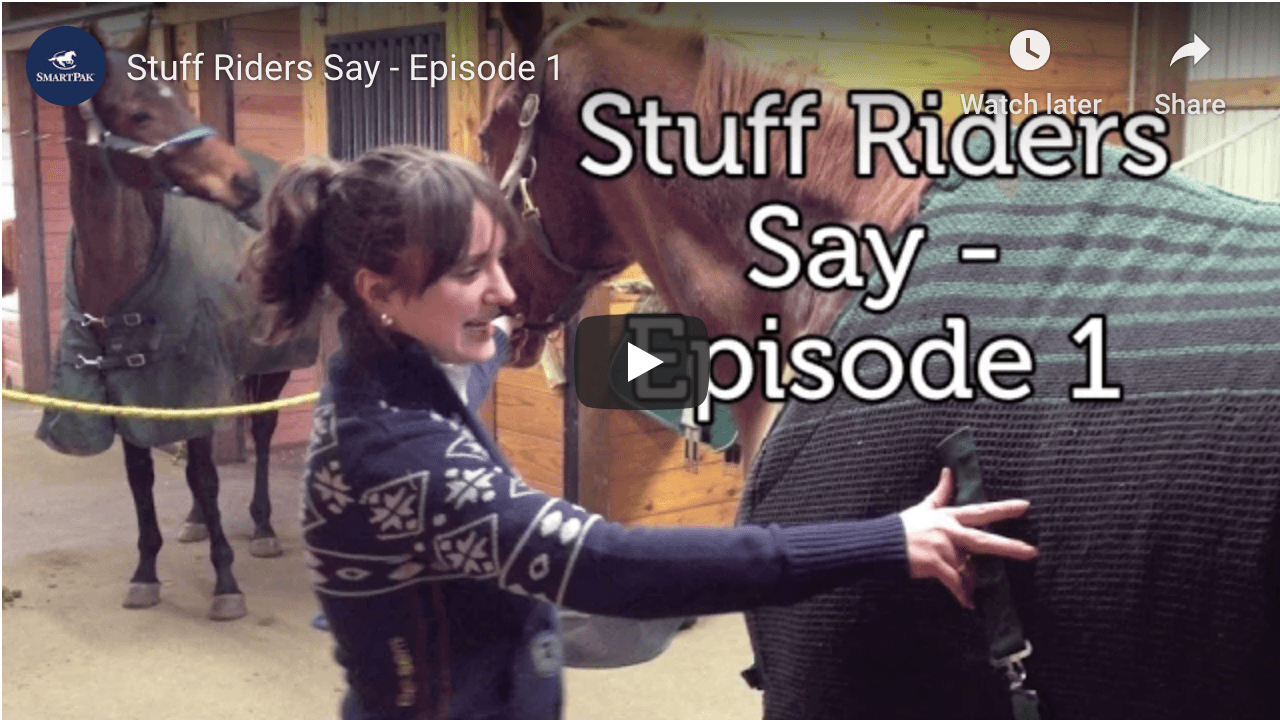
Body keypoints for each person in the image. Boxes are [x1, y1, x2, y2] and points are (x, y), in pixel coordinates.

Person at [244, 145, 1038, 720]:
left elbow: (498, 334)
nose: (504, 291)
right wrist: (888, 541)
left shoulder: (395, 361)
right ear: (380, 292)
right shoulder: (401, 461)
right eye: (469, 272)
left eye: (499, 260)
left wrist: (595, 248)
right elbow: (612, 564)